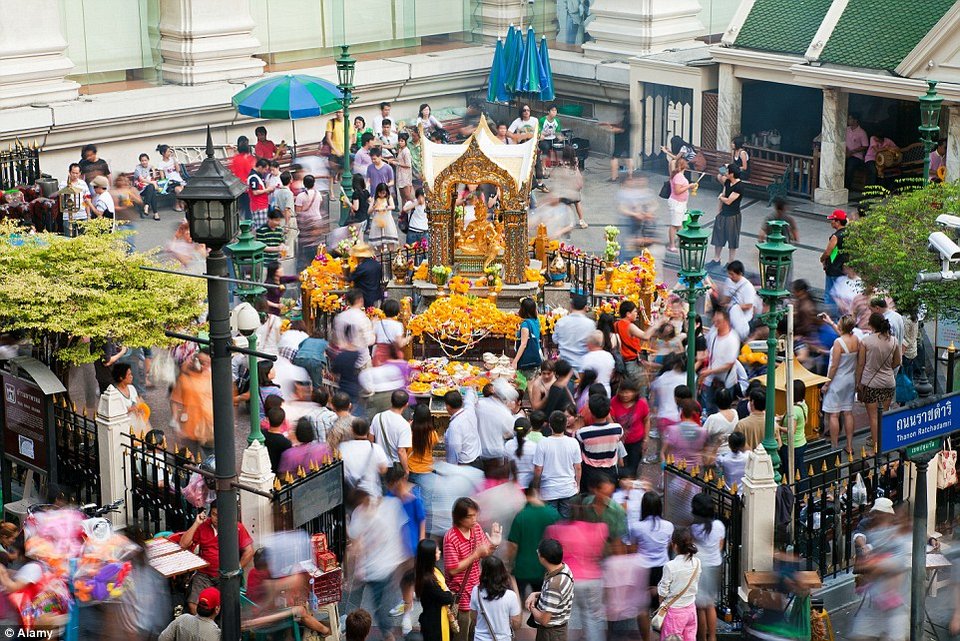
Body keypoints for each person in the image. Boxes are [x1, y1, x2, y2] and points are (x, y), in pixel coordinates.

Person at [348, 489, 411, 641]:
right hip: (374, 569)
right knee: (380, 604)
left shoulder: (389, 507)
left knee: (380, 604)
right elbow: (356, 544)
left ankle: (386, 633)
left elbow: (401, 532)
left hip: (383, 567)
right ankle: (386, 633)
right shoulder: (361, 514)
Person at [179, 502, 254, 614]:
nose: (216, 518)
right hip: (204, 574)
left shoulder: (237, 527)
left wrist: (237, 568)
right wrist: (196, 523)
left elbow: (249, 551)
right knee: (193, 604)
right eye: (214, 514)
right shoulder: (203, 526)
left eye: (220, 515)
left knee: (227, 606)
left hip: (225, 575)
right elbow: (183, 544)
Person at [444, 497, 502, 641]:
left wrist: (493, 544)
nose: (474, 519)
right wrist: (475, 554)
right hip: (460, 595)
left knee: (475, 634)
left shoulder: (476, 529)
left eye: (475, 515)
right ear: (459, 518)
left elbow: (485, 552)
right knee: (461, 635)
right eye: (469, 516)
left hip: (476, 592)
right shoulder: (451, 537)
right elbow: (452, 569)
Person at [630, 491, 674, 641]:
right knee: (661, 606)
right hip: (663, 569)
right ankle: (661, 636)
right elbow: (669, 546)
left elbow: (633, 548)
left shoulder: (636, 527)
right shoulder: (669, 526)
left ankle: (646, 639)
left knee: (642, 608)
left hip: (642, 569)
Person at [858, 312, 901, 450]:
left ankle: (877, 447)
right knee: (884, 414)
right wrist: (887, 369)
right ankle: (886, 443)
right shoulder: (893, 340)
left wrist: (858, 383)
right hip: (888, 382)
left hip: (871, 384)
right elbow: (897, 362)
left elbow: (860, 364)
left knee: (873, 417)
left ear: (871, 325)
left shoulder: (866, 341)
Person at [507, 486, 560, 595]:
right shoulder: (554, 514)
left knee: (518, 603)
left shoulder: (521, 515)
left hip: (522, 569)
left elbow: (513, 545)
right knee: (540, 604)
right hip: (546, 568)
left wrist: (509, 564)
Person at [822, 315, 860, 455]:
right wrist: (831, 322)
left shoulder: (838, 343)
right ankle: (849, 446)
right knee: (848, 412)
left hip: (837, 381)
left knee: (834, 415)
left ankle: (834, 445)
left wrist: (827, 383)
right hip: (850, 379)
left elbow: (834, 367)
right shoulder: (855, 339)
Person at [532, 411, 582, 518]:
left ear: (550, 425)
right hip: (568, 489)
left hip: (548, 490)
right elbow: (578, 467)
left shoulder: (542, 443)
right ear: (565, 424)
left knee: (550, 523)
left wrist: (536, 488)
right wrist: (577, 485)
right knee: (565, 524)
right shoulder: (573, 442)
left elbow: (537, 469)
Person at [525, 538, 575, 641]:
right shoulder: (564, 568)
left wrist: (531, 606)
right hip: (558, 629)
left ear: (543, 558)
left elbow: (544, 620)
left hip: (551, 634)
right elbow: (557, 596)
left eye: (538, 552)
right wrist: (535, 594)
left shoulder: (554, 584)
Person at [657, 527, 701, 641]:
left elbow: (663, 591)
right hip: (691, 609)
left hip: (674, 613)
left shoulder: (670, 566)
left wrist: (661, 601)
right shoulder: (697, 562)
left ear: (674, 545)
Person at [690, 494, 724, 641]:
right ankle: (713, 637)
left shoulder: (693, 529)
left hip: (699, 567)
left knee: (700, 606)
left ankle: (702, 638)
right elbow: (720, 547)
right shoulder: (719, 526)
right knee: (711, 604)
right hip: (715, 565)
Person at [170, 351, 214, 458]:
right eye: (202, 362)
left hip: (209, 427)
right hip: (189, 428)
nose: (205, 365)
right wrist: (175, 422)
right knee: (191, 458)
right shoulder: (184, 378)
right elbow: (175, 400)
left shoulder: (211, 376)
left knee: (211, 459)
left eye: (207, 363)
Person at [576, 394, 624, 491]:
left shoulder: (583, 433)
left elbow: (577, 439)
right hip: (610, 472)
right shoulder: (618, 429)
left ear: (591, 412)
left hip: (590, 472)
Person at [470, 556, 521, 641]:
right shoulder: (510, 595)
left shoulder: (476, 591)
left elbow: (474, 617)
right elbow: (516, 624)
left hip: (480, 638)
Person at [700, 309, 741, 415]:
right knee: (710, 408)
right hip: (711, 380)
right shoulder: (713, 334)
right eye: (715, 320)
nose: (715, 323)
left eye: (718, 321)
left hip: (726, 381)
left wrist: (710, 371)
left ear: (726, 322)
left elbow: (729, 364)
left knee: (723, 410)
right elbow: (709, 350)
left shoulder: (732, 339)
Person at [415, 539, 456, 641]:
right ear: (430, 556)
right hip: (435, 621)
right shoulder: (428, 580)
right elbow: (446, 598)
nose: (440, 552)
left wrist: (447, 594)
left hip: (437, 615)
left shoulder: (431, 570)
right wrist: (449, 594)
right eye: (437, 551)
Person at [475, 380, 517, 469]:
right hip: (495, 453)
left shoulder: (480, 404)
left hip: (478, 450)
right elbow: (509, 433)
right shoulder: (505, 414)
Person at [611, 377, 649, 474]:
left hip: (636, 441)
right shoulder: (614, 402)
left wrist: (646, 439)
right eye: (622, 392)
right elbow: (611, 419)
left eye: (628, 392)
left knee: (633, 467)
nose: (624, 395)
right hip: (620, 442)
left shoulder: (641, 404)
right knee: (621, 466)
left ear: (635, 392)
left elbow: (646, 420)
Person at [708, 165, 744, 265]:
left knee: (732, 239)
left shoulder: (739, 186)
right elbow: (720, 173)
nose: (726, 172)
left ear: (732, 174)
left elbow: (728, 201)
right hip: (723, 213)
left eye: (727, 171)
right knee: (718, 237)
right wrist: (718, 212)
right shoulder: (728, 182)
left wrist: (720, 198)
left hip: (733, 215)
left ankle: (730, 262)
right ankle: (716, 259)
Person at [552, 295, 595, 373]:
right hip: (582, 367)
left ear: (571, 306)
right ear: (586, 308)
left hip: (564, 367)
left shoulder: (561, 322)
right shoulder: (590, 324)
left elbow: (555, 340)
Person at [373, 389, 413, 473]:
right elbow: (401, 451)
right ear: (406, 405)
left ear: (391, 401)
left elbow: (370, 439)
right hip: (393, 467)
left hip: (378, 463)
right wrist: (406, 470)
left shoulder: (378, 417)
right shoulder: (404, 425)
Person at [820, 209, 849, 315]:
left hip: (833, 269)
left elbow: (828, 252)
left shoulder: (836, 236)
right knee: (841, 295)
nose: (831, 222)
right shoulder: (850, 234)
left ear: (838, 222)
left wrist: (822, 259)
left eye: (833, 220)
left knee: (830, 295)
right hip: (844, 269)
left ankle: (830, 317)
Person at [444, 390, 482, 467]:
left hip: (466, 465)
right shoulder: (469, 411)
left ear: (448, 407)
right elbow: (469, 397)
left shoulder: (454, 426)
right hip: (478, 460)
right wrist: (470, 388)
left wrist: (450, 469)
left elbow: (455, 451)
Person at [512, 297, 543, 379]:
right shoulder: (536, 320)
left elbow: (523, 344)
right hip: (537, 355)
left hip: (528, 359)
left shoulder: (525, 325)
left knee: (529, 387)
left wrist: (515, 361)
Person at [667, 157, 693, 252]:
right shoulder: (678, 176)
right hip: (677, 203)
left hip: (681, 203)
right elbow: (677, 191)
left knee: (679, 223)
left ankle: (681, 241)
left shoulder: (679, 175)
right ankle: (672, 245)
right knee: (675, 224)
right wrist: (689, 186)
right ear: (684, 166)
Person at [409, 403, 439, 483]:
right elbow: (433, 444)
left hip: (412, 470)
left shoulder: (408, 433)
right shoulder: (433, 434)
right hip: (428, 470)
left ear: (414, 417)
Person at [347, 245, 384, 310]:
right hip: (377, 295)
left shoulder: (362, 267)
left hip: (366, 298)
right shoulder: (376, 264)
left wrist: (339, 276)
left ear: (359, 257)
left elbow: (349, 279)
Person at [602, 109, 634, 182]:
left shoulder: (626, 119)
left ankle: (614, 177)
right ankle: (630, 176)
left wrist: (611, 128)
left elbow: (621, 130)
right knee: (628, 158)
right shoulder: (629, 120)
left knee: (614, 158)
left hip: (620, 141)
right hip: (627, 141)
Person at [580, 331, 615, 396]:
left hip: (590, 392)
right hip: (606, 389)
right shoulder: (609, 356)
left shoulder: (586, 358)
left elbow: (582, 377)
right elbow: (611, 375)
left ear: (589, 343)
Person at [734, 387, 769, 452]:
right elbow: (779, 445)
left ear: (752, 402)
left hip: (747, 460)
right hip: (766, 460)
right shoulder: (772, 424)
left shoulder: (741, 424)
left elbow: (735, 444)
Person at [368, 181, 398, 250]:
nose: (381, 195)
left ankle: (391, 255)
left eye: (383, 193)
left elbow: (393, 206)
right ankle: (381, 256)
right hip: (377, 221)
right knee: (379, 242)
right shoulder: (374, 199)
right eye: (380, 193)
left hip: (387, 221)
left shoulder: (388, 198)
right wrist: (374, 207)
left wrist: (385, 208)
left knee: (390, 240)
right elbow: (369, 211)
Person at [132, 153, 161, 220]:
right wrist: (153, 183)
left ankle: (147, 206)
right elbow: (141, 179)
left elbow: (153, 171)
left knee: (152, 190)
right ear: (140, 161)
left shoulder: (148, 166)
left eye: (145, 160)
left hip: (149, 189)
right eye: (142, 161)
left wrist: (153, 169)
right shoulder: (137, 169)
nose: (144, 162)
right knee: (151, 187)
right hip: (141, 189)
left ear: (148, 160)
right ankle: (155, 213)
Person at [845, 113, 869, 187]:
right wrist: (846, 151)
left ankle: (847, 186)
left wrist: (852, 152)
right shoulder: (846, 129)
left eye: (850, 119)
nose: (848, 120)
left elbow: (865, 146)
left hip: (856, 156)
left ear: (855, 120)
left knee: (850, 167)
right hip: (845, 153)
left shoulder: (862, 132)